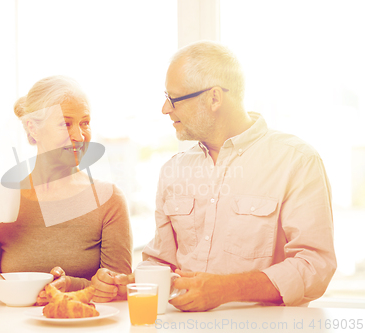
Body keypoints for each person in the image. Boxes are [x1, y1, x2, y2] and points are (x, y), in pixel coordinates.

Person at [91, 41, 336, 311]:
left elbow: (315, 266)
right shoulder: (173, 171)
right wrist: (131, 283)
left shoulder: (297, 160)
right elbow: (162, 262)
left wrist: (225, 289)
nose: (164, 109)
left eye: (173, 99)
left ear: (214, 98)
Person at [0, 76, 132, 304]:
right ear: (33, 128)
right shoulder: (4, 197)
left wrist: (72, 285)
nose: (80, 137)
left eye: (85, 122)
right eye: (66, 123)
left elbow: (119, 289)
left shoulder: (108, 200)